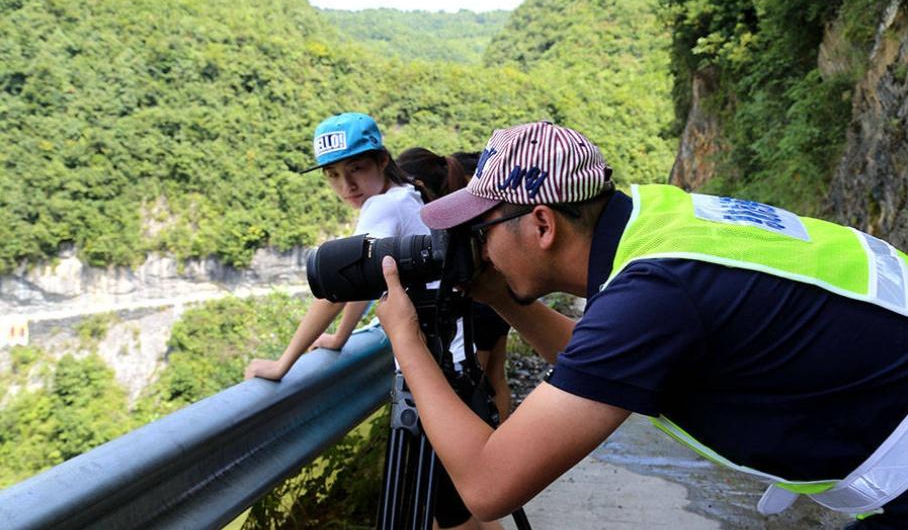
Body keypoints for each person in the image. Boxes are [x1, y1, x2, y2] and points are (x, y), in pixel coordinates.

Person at [375, 120, 908, 529]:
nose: (479, 247)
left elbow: (488, 485)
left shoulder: (652, 295)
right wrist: (504, 299)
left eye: (482, 228)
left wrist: (407, 341)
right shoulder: (655, 221)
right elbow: (597, 366)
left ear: (541, 223)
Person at [244, 113, 501, 530]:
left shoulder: (382, 207)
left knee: (451, 517)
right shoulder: (409, 192)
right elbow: (368, 279)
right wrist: (341, 337)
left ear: (382, 160)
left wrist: (282, 364)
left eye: (356, 169)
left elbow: (335, 289)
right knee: (457, 506)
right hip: (453, 362)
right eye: (333, 175)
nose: (346, 186)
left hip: (433, 375)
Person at [397, 147, 513, 421]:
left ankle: (490, 445)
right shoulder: (460, 206)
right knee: (495, 375)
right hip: (497, 293)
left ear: (419, 185)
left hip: (478, 302)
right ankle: (501, 432)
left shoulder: (439, 221)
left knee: (477, 384)